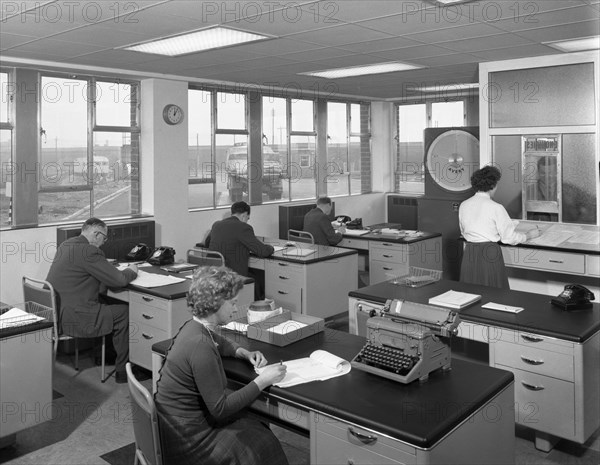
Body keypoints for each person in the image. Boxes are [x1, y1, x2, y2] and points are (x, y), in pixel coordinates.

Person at [154, 266, 288, 465]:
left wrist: (242, 352)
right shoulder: (201, 347)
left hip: (174, 427)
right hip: (189, 441)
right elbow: (221, 409)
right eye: (233, 303)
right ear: (215, 303)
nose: (236, 309)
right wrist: (263, 380)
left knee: (257, 429)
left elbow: (219, 340)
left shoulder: (193, 327)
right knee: (263, 441)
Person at [46, 217, 138, 383]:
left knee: (105, 303)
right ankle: (123, 371)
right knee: (123, 311)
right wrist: (132, 270)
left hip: (57, 314)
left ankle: (103, 356)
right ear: (96, 234)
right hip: (76, 318)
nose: (104, 242)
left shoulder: (66, 245)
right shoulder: (89, 252)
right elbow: (119, 280)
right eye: (104, 237)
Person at [459, 166, 540, 289]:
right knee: (493, 293)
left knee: (470, 292)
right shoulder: (496, 207)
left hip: (470, 252)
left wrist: (511, 224)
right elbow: (508, 238)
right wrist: (529, 235)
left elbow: (466, 230)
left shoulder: (464, 205)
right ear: (493, 186)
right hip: (489, 253)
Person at [205, 201, 274, 299]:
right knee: (259, 278)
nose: (247, 221)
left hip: (215, 273)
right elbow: (263, 251)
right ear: (244, 215)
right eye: (247, 218)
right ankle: (257, 307)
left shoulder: (217, 224)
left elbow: (207, 243)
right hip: (232, 274)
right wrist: (271, 247)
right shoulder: (244, 227)